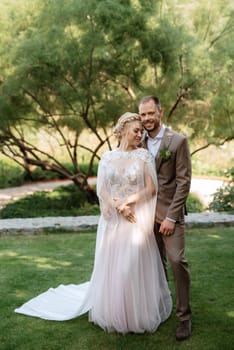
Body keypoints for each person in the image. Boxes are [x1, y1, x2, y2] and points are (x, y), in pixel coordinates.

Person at [15, 112, 172, 334]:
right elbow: (102, 189)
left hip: (134, 220)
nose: (140, 134)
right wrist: (118, 206)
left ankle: (136, 315)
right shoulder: (107, 158)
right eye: (136, 130)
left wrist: (127, 203)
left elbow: (151, 188)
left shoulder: (144, 157)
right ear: (123, 130)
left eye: (142, 132)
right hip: (114, 222)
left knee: (131, 268)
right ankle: (114, 313)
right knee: (115, 269)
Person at [138, 96, 192, 341]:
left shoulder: (177, 141)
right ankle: (161, 308)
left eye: (151, 113)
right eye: (143, 115)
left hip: (170, 215)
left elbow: (183, 182)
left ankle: (184, 317)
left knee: (177, 261)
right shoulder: (137, 142)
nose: (147, 118)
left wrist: (171, 217)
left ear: (160, 112)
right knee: (153, 265)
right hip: (144, 216)